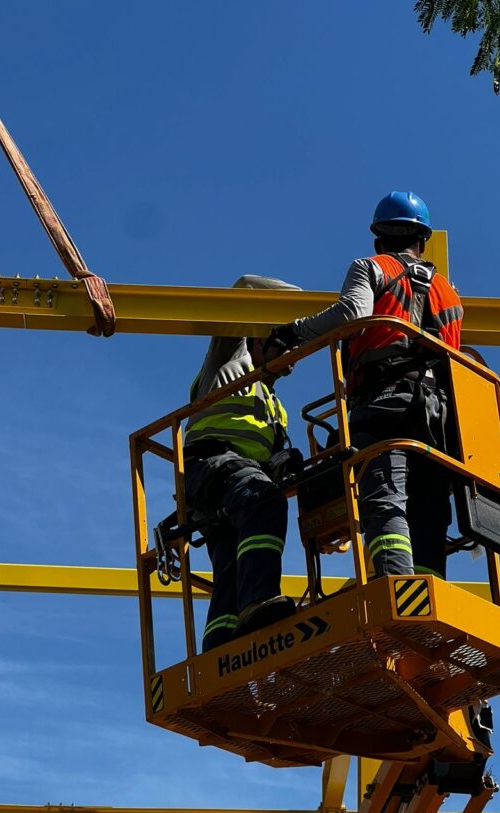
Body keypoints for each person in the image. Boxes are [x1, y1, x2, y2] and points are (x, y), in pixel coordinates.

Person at [266, 191, 462, 580]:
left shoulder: (371, 267)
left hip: (382, 401)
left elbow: (352, 314)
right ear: (421, 241)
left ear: (378, 239)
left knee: (385, 497)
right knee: (429, 506)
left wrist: (291, 334)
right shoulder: (451, 293)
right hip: (439, 416)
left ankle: (396, 588)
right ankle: (427, 593)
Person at [184, 274, 300, 652]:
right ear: (258, 332)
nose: (293, 359)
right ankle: (259, 601)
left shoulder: (274, 407)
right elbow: (245, 285)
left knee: (231, 569)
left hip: (229, 487)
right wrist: (308, 307)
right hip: (215, 468)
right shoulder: (230, 361)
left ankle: (218, 653)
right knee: (263, 501)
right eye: (285, 342)